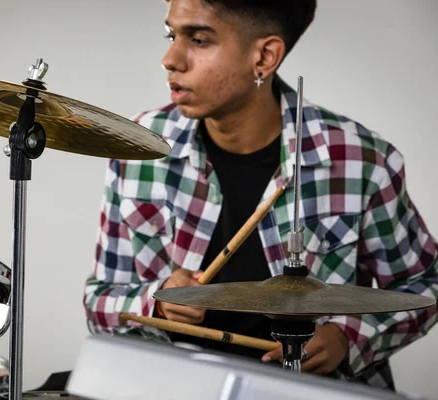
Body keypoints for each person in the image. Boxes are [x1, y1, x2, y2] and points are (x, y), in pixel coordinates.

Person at [82, 0, 438, 391]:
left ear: (265, 56)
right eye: (172, 35)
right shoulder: (142, 146)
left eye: (198, 40)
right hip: (175, 387)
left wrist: (348, 338)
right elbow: (99, 302)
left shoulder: (361, 159)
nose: (170, 59)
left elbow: (426, 283)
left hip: (308, 392)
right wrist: (158, 301)